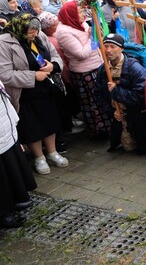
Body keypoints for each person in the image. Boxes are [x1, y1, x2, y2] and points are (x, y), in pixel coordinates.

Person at [0, 13, 68, 174]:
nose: (34, 34)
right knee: (33, 126)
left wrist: (53, 66)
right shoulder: (5, 42)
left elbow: (55, 56)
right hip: (25, 93)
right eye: (31, 32)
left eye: (36, 31)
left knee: (50, 120)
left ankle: (52, 152)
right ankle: (39, 158)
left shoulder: (39, 35)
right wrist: (33, 76)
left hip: (46, 87)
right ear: (21, 28)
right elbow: (5, 74)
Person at [55, 1, 113, 138]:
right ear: (71, 15)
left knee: (103, 99)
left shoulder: (81, 24)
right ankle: (99, 131)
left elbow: (94, 43)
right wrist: (91, 37)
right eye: (79, 12)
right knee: (93, 103)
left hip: (97, 65)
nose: (83, 15)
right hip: (85, 72)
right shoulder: (64, 33)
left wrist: (98, 35)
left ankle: (110, 127)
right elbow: (81, 54)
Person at [96, 34, 146, 153]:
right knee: (127, 147)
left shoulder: (134, 68)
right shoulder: (103, 69)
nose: (108, 50)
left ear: (121, 48)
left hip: (136, 115)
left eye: (112, 46)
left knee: (144, 149)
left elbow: (142, 95)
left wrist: (117, 91)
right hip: (117, 116)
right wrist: (112, 112)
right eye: (106, 46)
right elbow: (98, 94)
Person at [0, 80, 36, 228]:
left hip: (5, 129)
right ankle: (3, 214)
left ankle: (14, 201)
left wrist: (13, 121)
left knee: (10, 169)